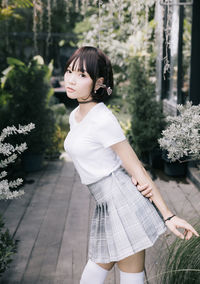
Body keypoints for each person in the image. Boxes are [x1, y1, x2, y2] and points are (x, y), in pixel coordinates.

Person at [64, 46, 199, 284]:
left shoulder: (102, 119)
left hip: (121, 202)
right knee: (130, 276)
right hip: (106, 204)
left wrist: (168, 216)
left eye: (82, 75)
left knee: (95, 277)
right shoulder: (75, 115)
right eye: (69, 71)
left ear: (98, 82)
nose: (71, 80)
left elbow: (137, 168)